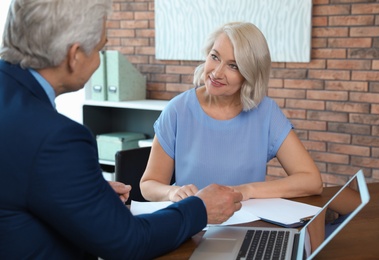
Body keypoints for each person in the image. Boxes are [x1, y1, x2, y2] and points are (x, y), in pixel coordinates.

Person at [0, 1, 243, 259]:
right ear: (74, 56)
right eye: (100, 49)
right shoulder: (57, 138)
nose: (99, 60)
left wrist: (85, 191)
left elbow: (20, 181)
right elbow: (128, 243)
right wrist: (201, 208)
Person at [140, 22, 323, 202]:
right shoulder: (177, 110)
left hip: (248, 225)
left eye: (233, 66)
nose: (217, 72)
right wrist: (172, 193)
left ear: (249, 74)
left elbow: (311, 181)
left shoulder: (266, 112)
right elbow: (149, 184)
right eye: (215, 57)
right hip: (193, 224)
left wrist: (248, 190)